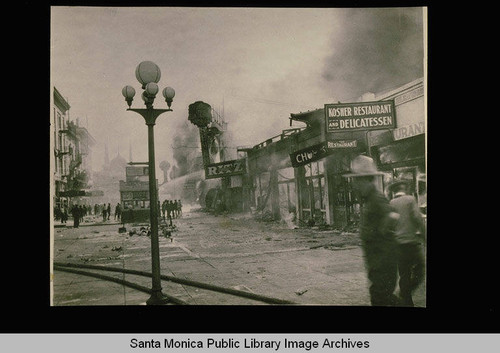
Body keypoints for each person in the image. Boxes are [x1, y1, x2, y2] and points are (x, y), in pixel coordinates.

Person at [343, 155, 400, 306]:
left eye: (357, 180)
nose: (354, 184)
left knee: (381, 298)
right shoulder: (369, 199)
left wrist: (380, 233)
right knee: (382, 297)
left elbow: (393, 215)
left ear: (366, 180)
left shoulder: (376, 198)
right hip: (377, 264)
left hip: (383, 264)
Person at [389, 179, 426, 307]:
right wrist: (424, 236)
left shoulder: (391, 203)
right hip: (411, 243)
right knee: (420, 269)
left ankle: (407, 301)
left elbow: (390, 225)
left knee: (404, 274)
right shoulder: (410, 200)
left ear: (394, 191)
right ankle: (405, 293)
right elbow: (418, 219)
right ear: (404, 188)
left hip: (398, 245)